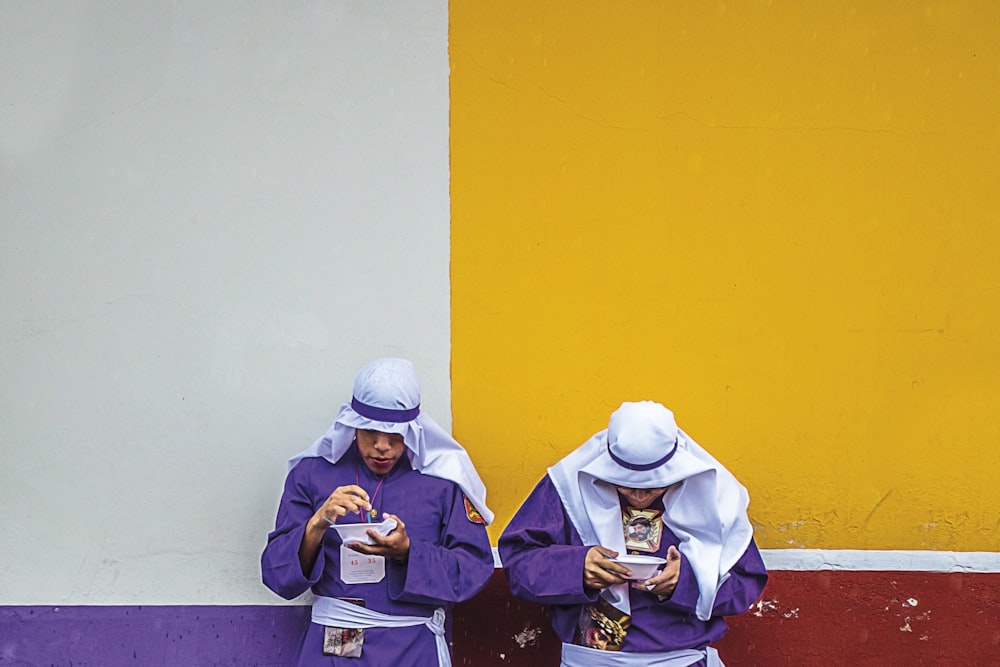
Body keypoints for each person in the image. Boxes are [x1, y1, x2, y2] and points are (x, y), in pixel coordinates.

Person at [261, 357, 495, 667]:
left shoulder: (444, 481)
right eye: (370, 432)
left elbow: (472, 569)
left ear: (414, 430)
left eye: (395, 435)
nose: (381, 446)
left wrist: (408, 553)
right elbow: (276, 574)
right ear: (352, 424)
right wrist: (316, 525)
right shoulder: (312, 473)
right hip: (338, 640)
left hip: (412, 646)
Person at [498, 401, 768, 666]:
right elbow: (519, 565)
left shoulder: (713, 493)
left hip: (681, 659)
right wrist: (577, 568)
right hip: (591, 659)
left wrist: (686, 581)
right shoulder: (567, 487)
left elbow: (746, 582)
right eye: (625, 485)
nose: (639, 496)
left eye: (654, 487)